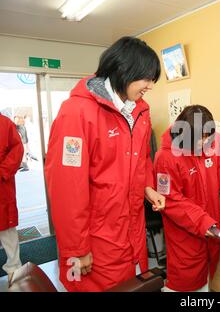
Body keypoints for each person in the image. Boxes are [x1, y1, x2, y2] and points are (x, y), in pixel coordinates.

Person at [44, 36, 166, 292]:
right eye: (146, 78)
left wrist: (148, 187)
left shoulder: (139, 111)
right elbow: (66, 188)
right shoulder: (76, 113)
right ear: (123, 70)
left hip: (131, 230)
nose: (150, 86)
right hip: (96, 237)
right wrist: (77, 249)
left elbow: (141, 158)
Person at [153, 105, 220, 292]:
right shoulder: (166, 157)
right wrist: (202, 222)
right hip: (184, 234)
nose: (203, 143)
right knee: (185, 283)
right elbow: (171, 200)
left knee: (206, 280)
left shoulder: (213, 141)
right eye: (198, 140)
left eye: (207, 138)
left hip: (210, 227)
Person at [0, 114, 24, 283]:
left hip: (2, 186)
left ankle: (14, 269)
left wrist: (2, 171)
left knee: (7, 230)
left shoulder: (4, 123)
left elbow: (18, 148)